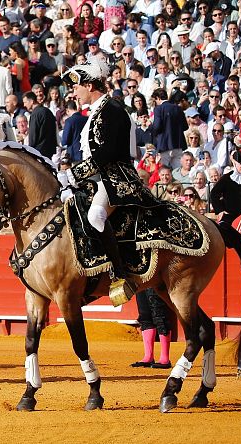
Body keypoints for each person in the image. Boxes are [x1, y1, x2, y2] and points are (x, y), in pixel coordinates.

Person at [62, 59, 157, 306]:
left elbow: (107, 154)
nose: (74, 92)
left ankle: (119, 275)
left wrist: (74, 174)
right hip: (98, 178)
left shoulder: (112, 109)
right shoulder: (98, 110)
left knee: (95, 216)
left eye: (77, 87)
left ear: (90, 85)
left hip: (116, 176)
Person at [131, 289, 173, 369]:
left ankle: (165, 358)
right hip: (140, 280)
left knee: (159, 314)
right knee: (144, 315)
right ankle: (148, 356)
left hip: (155, 280)